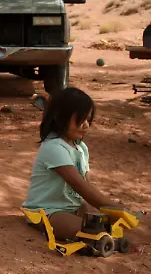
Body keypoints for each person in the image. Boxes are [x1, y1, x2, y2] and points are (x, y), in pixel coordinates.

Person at [22, 86, 130, 240]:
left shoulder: (81, 148)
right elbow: (79, 185)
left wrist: (112, 212)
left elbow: (87, 184)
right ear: (61, 117)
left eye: (88, 119)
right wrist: (114, 207)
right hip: (48, 212)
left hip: (73, 208)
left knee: (106, 223)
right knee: (94, 232)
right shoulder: (54, 147)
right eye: (81, 119)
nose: (86, 125)